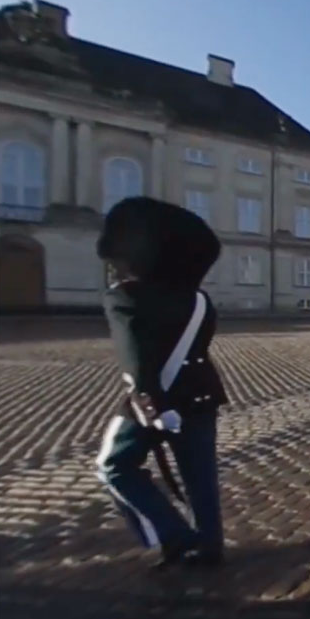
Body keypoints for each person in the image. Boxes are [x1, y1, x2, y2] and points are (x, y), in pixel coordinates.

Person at [95, 196, 229, 569]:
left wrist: (149, 400)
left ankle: (175, 535)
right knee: (199, 476)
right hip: (201, 394)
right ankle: (210, 546)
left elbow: (134, 355)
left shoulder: (123, 296)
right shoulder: (199, 301)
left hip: (155, 399)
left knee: (114, 466)